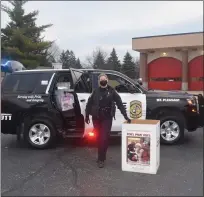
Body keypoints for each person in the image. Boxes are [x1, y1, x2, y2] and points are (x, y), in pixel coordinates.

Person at [85, 73, 131, 168]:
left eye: (104, 79)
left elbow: (120, 104)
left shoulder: (112, 91)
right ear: (99, 81)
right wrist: (86, 116)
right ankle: (102, 155)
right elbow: (89, 104)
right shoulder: (95, 91)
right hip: (96, 118)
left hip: (107, 118)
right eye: (101, 79)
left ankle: (101, 159)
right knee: (99, 138)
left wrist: (125, 116)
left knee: (104, 138)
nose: (103, 80)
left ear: (107, 80)